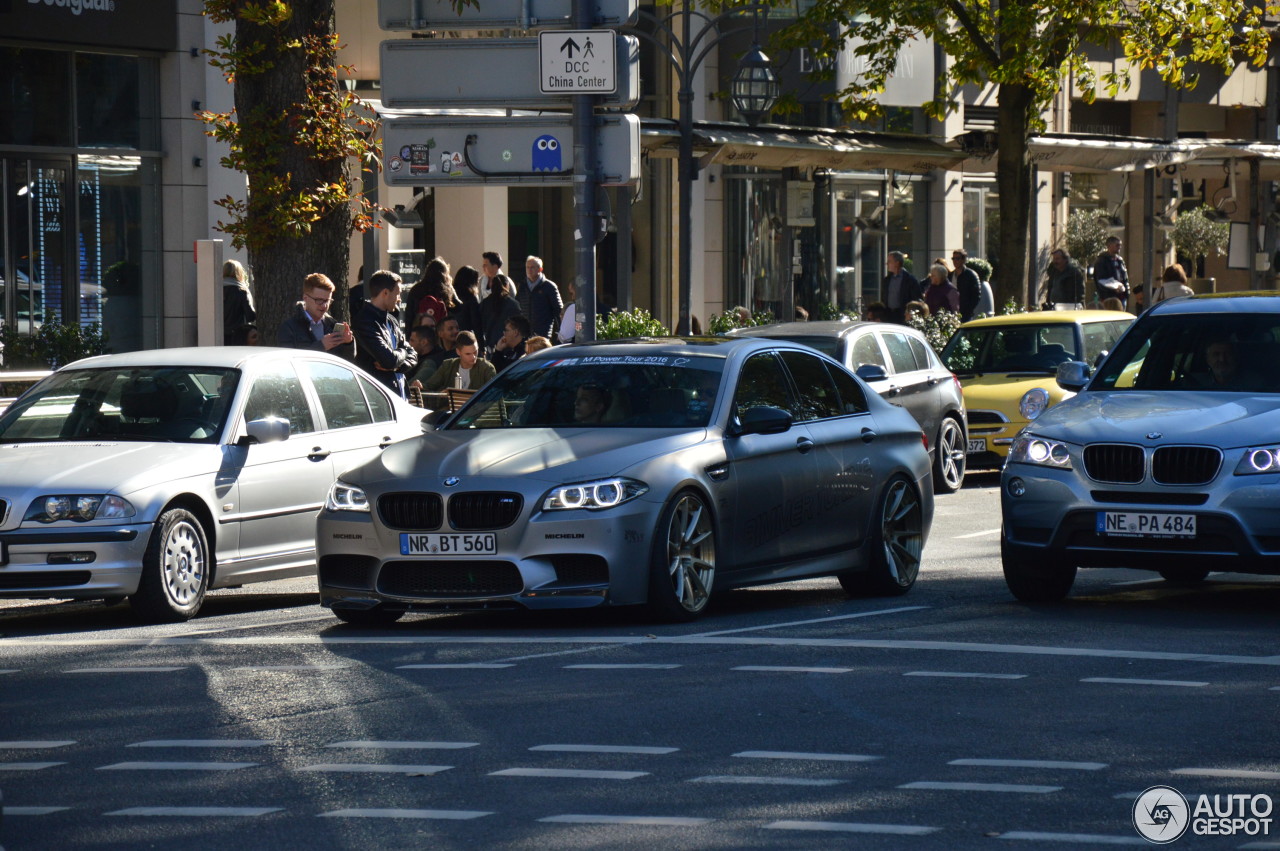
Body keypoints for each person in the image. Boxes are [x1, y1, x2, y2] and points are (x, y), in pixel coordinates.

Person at [353, 269, 417, 399]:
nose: (399, 299)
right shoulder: (364, 322)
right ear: (385, 293)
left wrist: (397, 366)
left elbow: (414, 355)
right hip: (377, 398)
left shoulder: (392, 320)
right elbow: (389, 360)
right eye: (397, 294)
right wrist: (403, 352)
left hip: (399, 394)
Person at [277, 272, 355, 357]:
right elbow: (288, 359)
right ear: (305, 298)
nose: (324, 305)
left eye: (327, 300)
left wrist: (348, 343)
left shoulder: (332, 325)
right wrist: (321, 346)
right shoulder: (289, 327)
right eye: (319, 300)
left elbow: (347, 361)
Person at [424, 331, 496, 391]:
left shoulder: (487, 368)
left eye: (475, 352)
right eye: (468, 354)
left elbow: (492, 395)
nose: (473, 357)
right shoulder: (448, 366)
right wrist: (420, 386)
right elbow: (429, 386)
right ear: (458, 352)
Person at [405, 256, 456, 330]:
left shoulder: (416, 289)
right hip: (439, 331)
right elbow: (458, 307)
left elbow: (409, 315)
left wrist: (409, 335)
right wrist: (450, 286)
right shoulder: (444, 290)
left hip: (419, 330)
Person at [524, 255, 564, 340]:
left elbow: (558, 310)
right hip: (524, 334)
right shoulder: (522, 287)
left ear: (540, 269)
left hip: (543, 334)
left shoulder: (549, 287)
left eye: (532, 267)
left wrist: (561, 332)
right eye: (527, 267)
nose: (529, 270)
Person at [480, 274, 522, 354]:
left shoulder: (485, 303)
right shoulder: (513, 304)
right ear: (507, 285)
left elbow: (481, 325)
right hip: (509, 344)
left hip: (490, 346)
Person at [882, 251, 923, 324]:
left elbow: (916, 299)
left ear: (897, 263)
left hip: (903, 316)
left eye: (889, 261)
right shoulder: (887, 279)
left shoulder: (910, 280)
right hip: (889, 315)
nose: (887, 264)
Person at [222, 259, 256, 345]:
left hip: (218, 335)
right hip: (238, 336)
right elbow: (250, 316)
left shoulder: (215, 290)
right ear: (239, 273)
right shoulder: (241, 291)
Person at [406, 324, 448, 391]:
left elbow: (410, 386)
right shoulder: (420, 357)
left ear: (424, 342)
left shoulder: (430, 362)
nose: (409, 343)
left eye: (412, 340)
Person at [1093, 236, 1129, 306]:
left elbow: (1125, 278)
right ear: (1109, 246)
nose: (1119, 247)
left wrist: (1127, 292)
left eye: (1120, 245)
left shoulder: (1120, 260)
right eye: (1117, 245)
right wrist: (1113, 289)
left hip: (1122, 296)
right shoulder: (1101, 261)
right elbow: (1101, 280)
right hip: (1109, 298)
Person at [451, 264, 483, 334]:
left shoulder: (451, 295)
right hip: (466, 335)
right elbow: (476, 323)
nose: (478, 282)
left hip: (450, 334)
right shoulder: (471, 298)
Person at [952, 249, 981, 321]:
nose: (955, 261)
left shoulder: (971, 275)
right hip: (952, 313)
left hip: (965, 314)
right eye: (953, 258)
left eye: (957, 258)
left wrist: (968, 310)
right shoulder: (950, 275)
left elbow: (976, 295)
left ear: (963, 260)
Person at [558, 280, 577, 345]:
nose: (572, 297)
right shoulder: (604, 309)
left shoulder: (573, 308)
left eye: (572, 293)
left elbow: (564, 337)